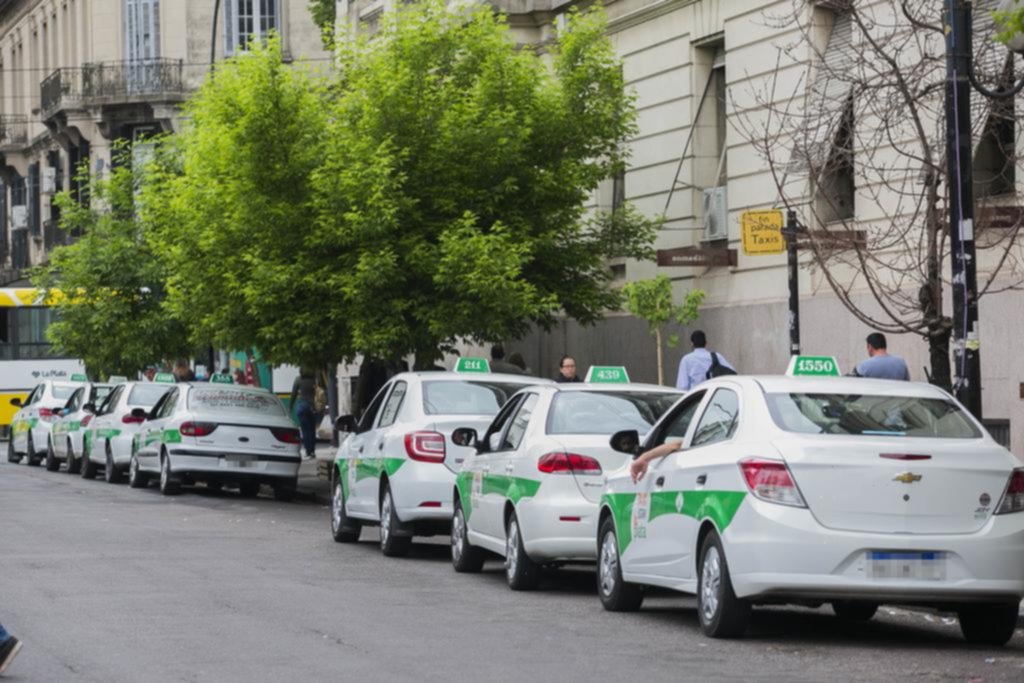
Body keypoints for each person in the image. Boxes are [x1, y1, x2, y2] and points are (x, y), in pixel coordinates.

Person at [290, 366, 318, 460]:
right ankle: (312, 451)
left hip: (301, 406)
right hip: (312, 407)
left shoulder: (298, 379)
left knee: (305, 430)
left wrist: (290, 407)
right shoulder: (314, 380)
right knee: (312, 429)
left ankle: (308, 451)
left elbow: (293, 394)